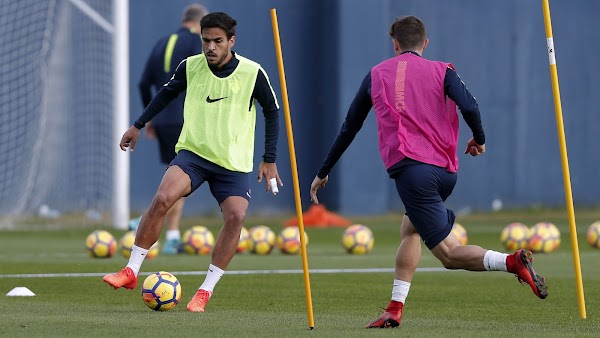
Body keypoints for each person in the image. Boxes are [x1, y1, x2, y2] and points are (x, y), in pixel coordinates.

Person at [309, 16, 547, 329]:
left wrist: (324, 170)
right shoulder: (443, 70)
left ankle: (512, 262)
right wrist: (480, 139)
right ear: (426, 43)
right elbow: (471, 107)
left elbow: (350, 126)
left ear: (394, 44)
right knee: (411, 229)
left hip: (412, 171)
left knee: (449, 255)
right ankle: (394, 309)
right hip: (445, 171)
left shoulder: (377, 74)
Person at [103, 12, 283, 313]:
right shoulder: (190, 66)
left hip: (233, 162)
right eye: (206, 41)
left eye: (217, 41)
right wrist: (137, 124)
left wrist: (270, 159)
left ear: (231, 42)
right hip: (194, 154)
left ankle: (205, 291)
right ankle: (131, 271)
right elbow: (164, 94)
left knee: (236, 217)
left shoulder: (253, 73)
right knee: (162, 198)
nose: (210, 47)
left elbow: (273, 112)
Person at [137, 3, 209, 254]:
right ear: (201, 24)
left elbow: (143, 83)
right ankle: (168, 234)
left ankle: (162, 228)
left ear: (183, 19)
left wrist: (150, 118)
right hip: (184, 119)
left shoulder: (162, 42)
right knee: (183, 176)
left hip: (163, 120)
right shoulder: (197, 43)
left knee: (175, 173)